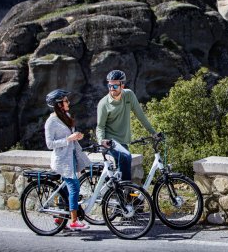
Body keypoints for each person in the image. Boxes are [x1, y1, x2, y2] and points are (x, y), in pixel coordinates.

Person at [96, 70, 157, 181]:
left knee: (122, 167)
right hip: (110, 141)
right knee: (126, 157)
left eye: (115, 86)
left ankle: (119, 193)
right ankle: (126, 192)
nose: (111, 89)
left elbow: (140, 115)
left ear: (122, 85)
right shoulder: (103, 104)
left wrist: (153, 132)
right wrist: (102, 141)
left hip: (123, 142)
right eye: (109, 85)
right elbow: (100, 127)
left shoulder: (129, 95)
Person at [44, 89, 91, 230]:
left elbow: (70, 136)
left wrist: (76, 136)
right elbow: (50, 144)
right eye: (65, 100)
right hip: (62, 161)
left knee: (65, 189)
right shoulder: (51, 122)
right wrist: (68, 139)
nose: (68, 102)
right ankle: (74, 221)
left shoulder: (66, 115)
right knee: (74, 187)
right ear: (58, 104)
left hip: (71, 157)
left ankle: (60, 219)